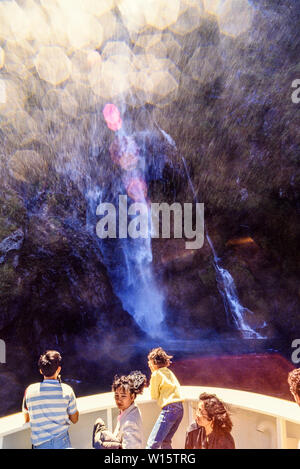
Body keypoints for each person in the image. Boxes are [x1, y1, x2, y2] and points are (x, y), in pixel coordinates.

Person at [22, 350, 79, 449]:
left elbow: (27, 418)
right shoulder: (67, 390)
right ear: (59, 369)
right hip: (62, 443)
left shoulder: (29, 390)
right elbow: (75, 419)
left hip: (39, 445)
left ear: (41, 370)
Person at [93, 370, 146, 449]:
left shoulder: (130, 423)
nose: (119, 400)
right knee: (99, 425)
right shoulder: (128, 409)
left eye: (123, 396)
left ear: (132, 397)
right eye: (116, 395)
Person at [146, 347, 184, 449]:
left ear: (154, 363)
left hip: (169, 409)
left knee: (152, 444)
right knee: (166, 441)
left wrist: (152, 377)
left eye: (149, 362)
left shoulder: (156, 374)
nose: (148, 364)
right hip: (180, 409)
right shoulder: (168, 372)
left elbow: (153, 395)